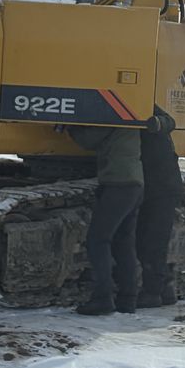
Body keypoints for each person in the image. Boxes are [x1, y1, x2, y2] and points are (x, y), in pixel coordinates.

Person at [67, 125, 144, 316]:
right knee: (123, 242)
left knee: (97, 240)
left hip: (117, 184)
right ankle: (127, 299)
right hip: (134, 183)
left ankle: (103, 298)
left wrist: (70, 126)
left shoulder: (115, 115)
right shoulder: (133, 112)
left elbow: (88, 140)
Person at [136, 106, 184, 308]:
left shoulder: (145, 109)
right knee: (151, 239)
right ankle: (164, 288)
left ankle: (153, 292)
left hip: (159, 186)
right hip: (160, 184)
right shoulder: (144, 107)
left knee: (152, 240)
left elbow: (169, 121)